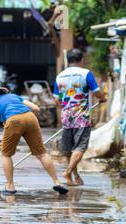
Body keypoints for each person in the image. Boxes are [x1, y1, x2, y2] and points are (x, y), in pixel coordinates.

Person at [0, 81, 68, 195]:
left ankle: (10, 186)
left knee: (6, 155)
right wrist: (25, 119)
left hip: (13, 121)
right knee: (42, 153)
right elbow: (36, 108)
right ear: (1, 90)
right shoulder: (13, 96)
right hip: (30, 117)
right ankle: (57, 182)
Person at [53, 49, 107, 186]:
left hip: (66, 115)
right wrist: (102, 98)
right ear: (81, 60)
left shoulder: (60, 76)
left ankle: (75, 176)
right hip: (81, 115)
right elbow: (96, 91)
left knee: (68, 148)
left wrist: (66, 104)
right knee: (80, 147)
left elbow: (56, 100)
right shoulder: (85, 74)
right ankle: (68, 171)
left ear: (68, 60)